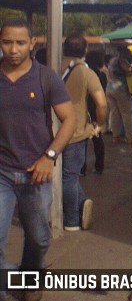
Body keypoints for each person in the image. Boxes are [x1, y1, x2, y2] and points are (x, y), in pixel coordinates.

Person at [0, 18, 75, 301]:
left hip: (36, 174)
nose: (13, 49)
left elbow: (69, 119)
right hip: (2, 172)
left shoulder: (46, 77)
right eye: (7, 42)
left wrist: (50, 156)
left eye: (21, 43)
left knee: (38, 239)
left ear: (33, 43)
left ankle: (30, 279)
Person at [60, 35, 108, 232]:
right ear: (85, 50)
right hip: (76, 132)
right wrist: (99, 125)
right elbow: (102, 104)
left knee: (57, 177)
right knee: (70, 177)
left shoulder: (49, 67)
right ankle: (71, 220)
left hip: (49, 133)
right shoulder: (87, 73)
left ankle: (81, 203)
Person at [106, 47, 132, 144]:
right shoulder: (122, 61)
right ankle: (130, 137)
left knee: (115, 112)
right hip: (120, 89)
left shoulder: (112, 60)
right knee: (126, 113)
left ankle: (115, 136)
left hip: (109, 88)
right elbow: (129, 70)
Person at [83, 50, 107, 175]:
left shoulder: (86, 74)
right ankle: (99, 165)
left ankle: (82, 167)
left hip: (86, 108)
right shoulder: (102, 75)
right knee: (97, 137)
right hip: (97, 108)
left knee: (82, 139)